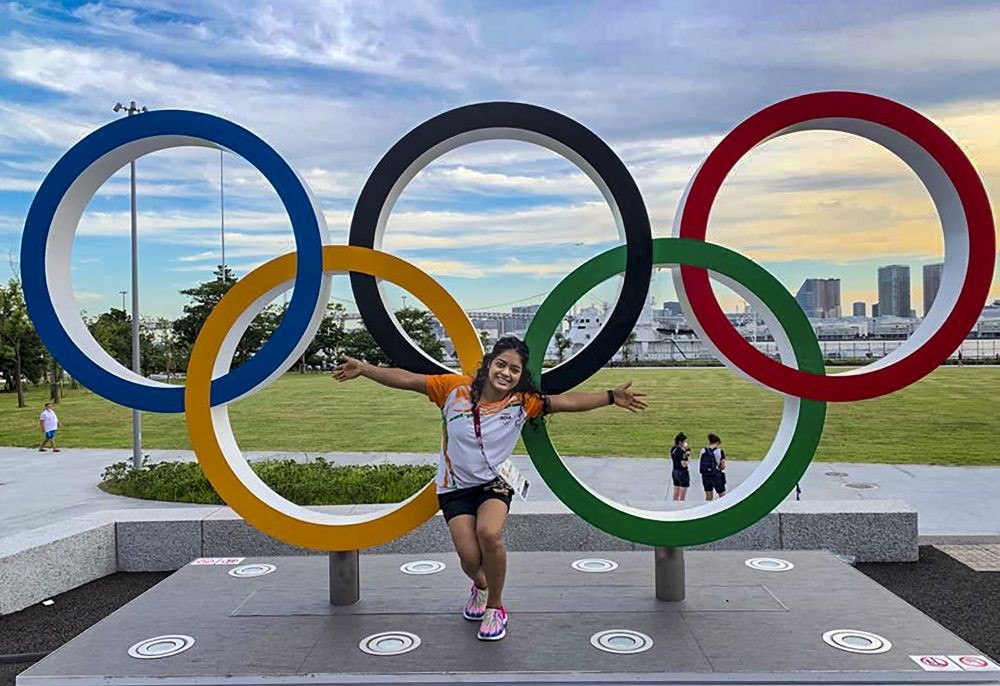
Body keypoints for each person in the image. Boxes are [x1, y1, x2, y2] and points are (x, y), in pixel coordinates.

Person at [333, 336, 647, 641]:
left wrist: (610, 396)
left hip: (493, 483)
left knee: (489, 534)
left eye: (514, 370)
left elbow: (567, 401)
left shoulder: (523, 404)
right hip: (454, 487)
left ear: (521, 376)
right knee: (470, 560)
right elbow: (407, 379)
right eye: (501, 364)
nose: (506, 373)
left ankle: (495, 606)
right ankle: (481, 586)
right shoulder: (453, 390)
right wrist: (365, 368)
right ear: (488, 364)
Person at [699, 433, 725, 500]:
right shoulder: (720, 451)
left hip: (705, 476)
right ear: (717, 442)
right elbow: (723, 466)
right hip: (715, 475)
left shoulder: (703, 450)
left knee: (708, 497)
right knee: (722, 496)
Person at [669, 432, 690, 501]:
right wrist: (687, 455)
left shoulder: (673, 449)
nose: (686, 443)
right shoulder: (681, 452)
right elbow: (684, 464)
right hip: (682, 473)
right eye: (685, 441)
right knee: (682, 496)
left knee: (676, 493)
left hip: (675, 472)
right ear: (680, 442)